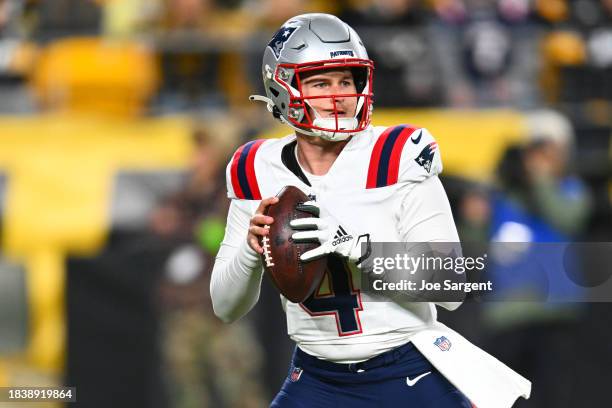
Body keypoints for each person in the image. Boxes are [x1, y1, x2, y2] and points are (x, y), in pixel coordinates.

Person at [211, 13, 531, 407]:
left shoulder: (397, 155)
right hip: (317, 377)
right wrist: (250, 249)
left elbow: (450, 286)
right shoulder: (256, 167)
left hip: (407, 369)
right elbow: (225, 307)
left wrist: (357, 248)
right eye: (320, 82)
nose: (339, 95)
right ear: (282, 87)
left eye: (346, 80)